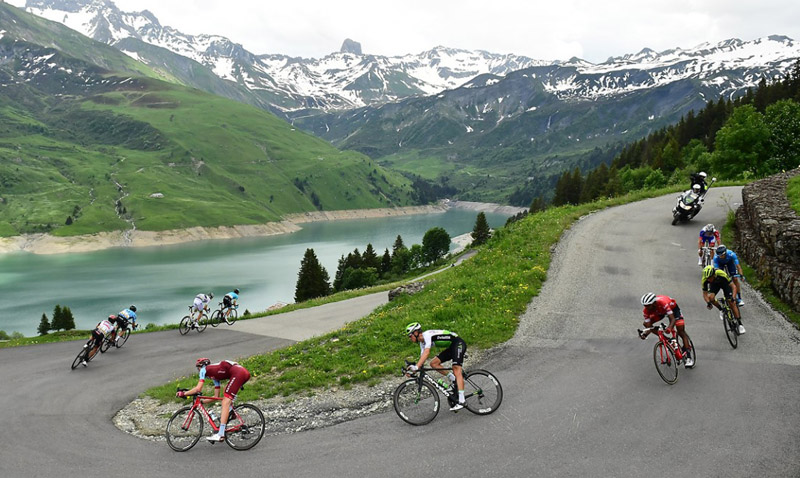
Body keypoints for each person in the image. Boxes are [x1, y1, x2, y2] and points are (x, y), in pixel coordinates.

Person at [176, 358, 251, 442]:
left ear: (200, 366)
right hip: (242, 373)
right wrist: (202, 402)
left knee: (225, 402)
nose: (198, 370)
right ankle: (231, 413)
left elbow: (198, 389)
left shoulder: (203, 370)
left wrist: (183, 393)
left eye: (198, 368)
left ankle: (220, 434)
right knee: (226, 394)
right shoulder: (214, 375)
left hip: (238, 373)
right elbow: (216, 396)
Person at [405, 322, 467, 411]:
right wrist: (413, 370)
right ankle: (454, 379)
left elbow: (427, 352)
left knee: (456, 369)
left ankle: (462, 401)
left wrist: (417, 367)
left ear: (416, 333)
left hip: (458, 343)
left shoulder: (427, 335)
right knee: (433, 363)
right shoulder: (422, 343)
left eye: (410, 336)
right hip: (452, 347)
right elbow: (422, 360)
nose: (410, 338)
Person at [638, 293, 694, 367]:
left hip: (673, 309)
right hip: (660, 312)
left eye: (648, 305)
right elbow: (648, 326)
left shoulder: (663, 303)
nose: (646, 307)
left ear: (654, 303)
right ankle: (667, 339)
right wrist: (645, 334)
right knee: (646, 324)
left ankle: (689, 357)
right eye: (645, 305)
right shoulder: (646, 311)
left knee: (680, 330)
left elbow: (672, 319)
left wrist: (669, 328)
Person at [702, 265, 745, 334]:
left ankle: (740, 324)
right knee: (711, 298)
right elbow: (705, 294)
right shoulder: (705, 279)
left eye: (710, 278)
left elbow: (734, 287)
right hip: (715, 285)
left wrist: (733, 298)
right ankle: (721, 310)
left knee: (731, 302)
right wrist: (708, 303)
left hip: (725, 284)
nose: (708, 280)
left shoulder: (721, 273)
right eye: (707, 278)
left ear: (714, 274)